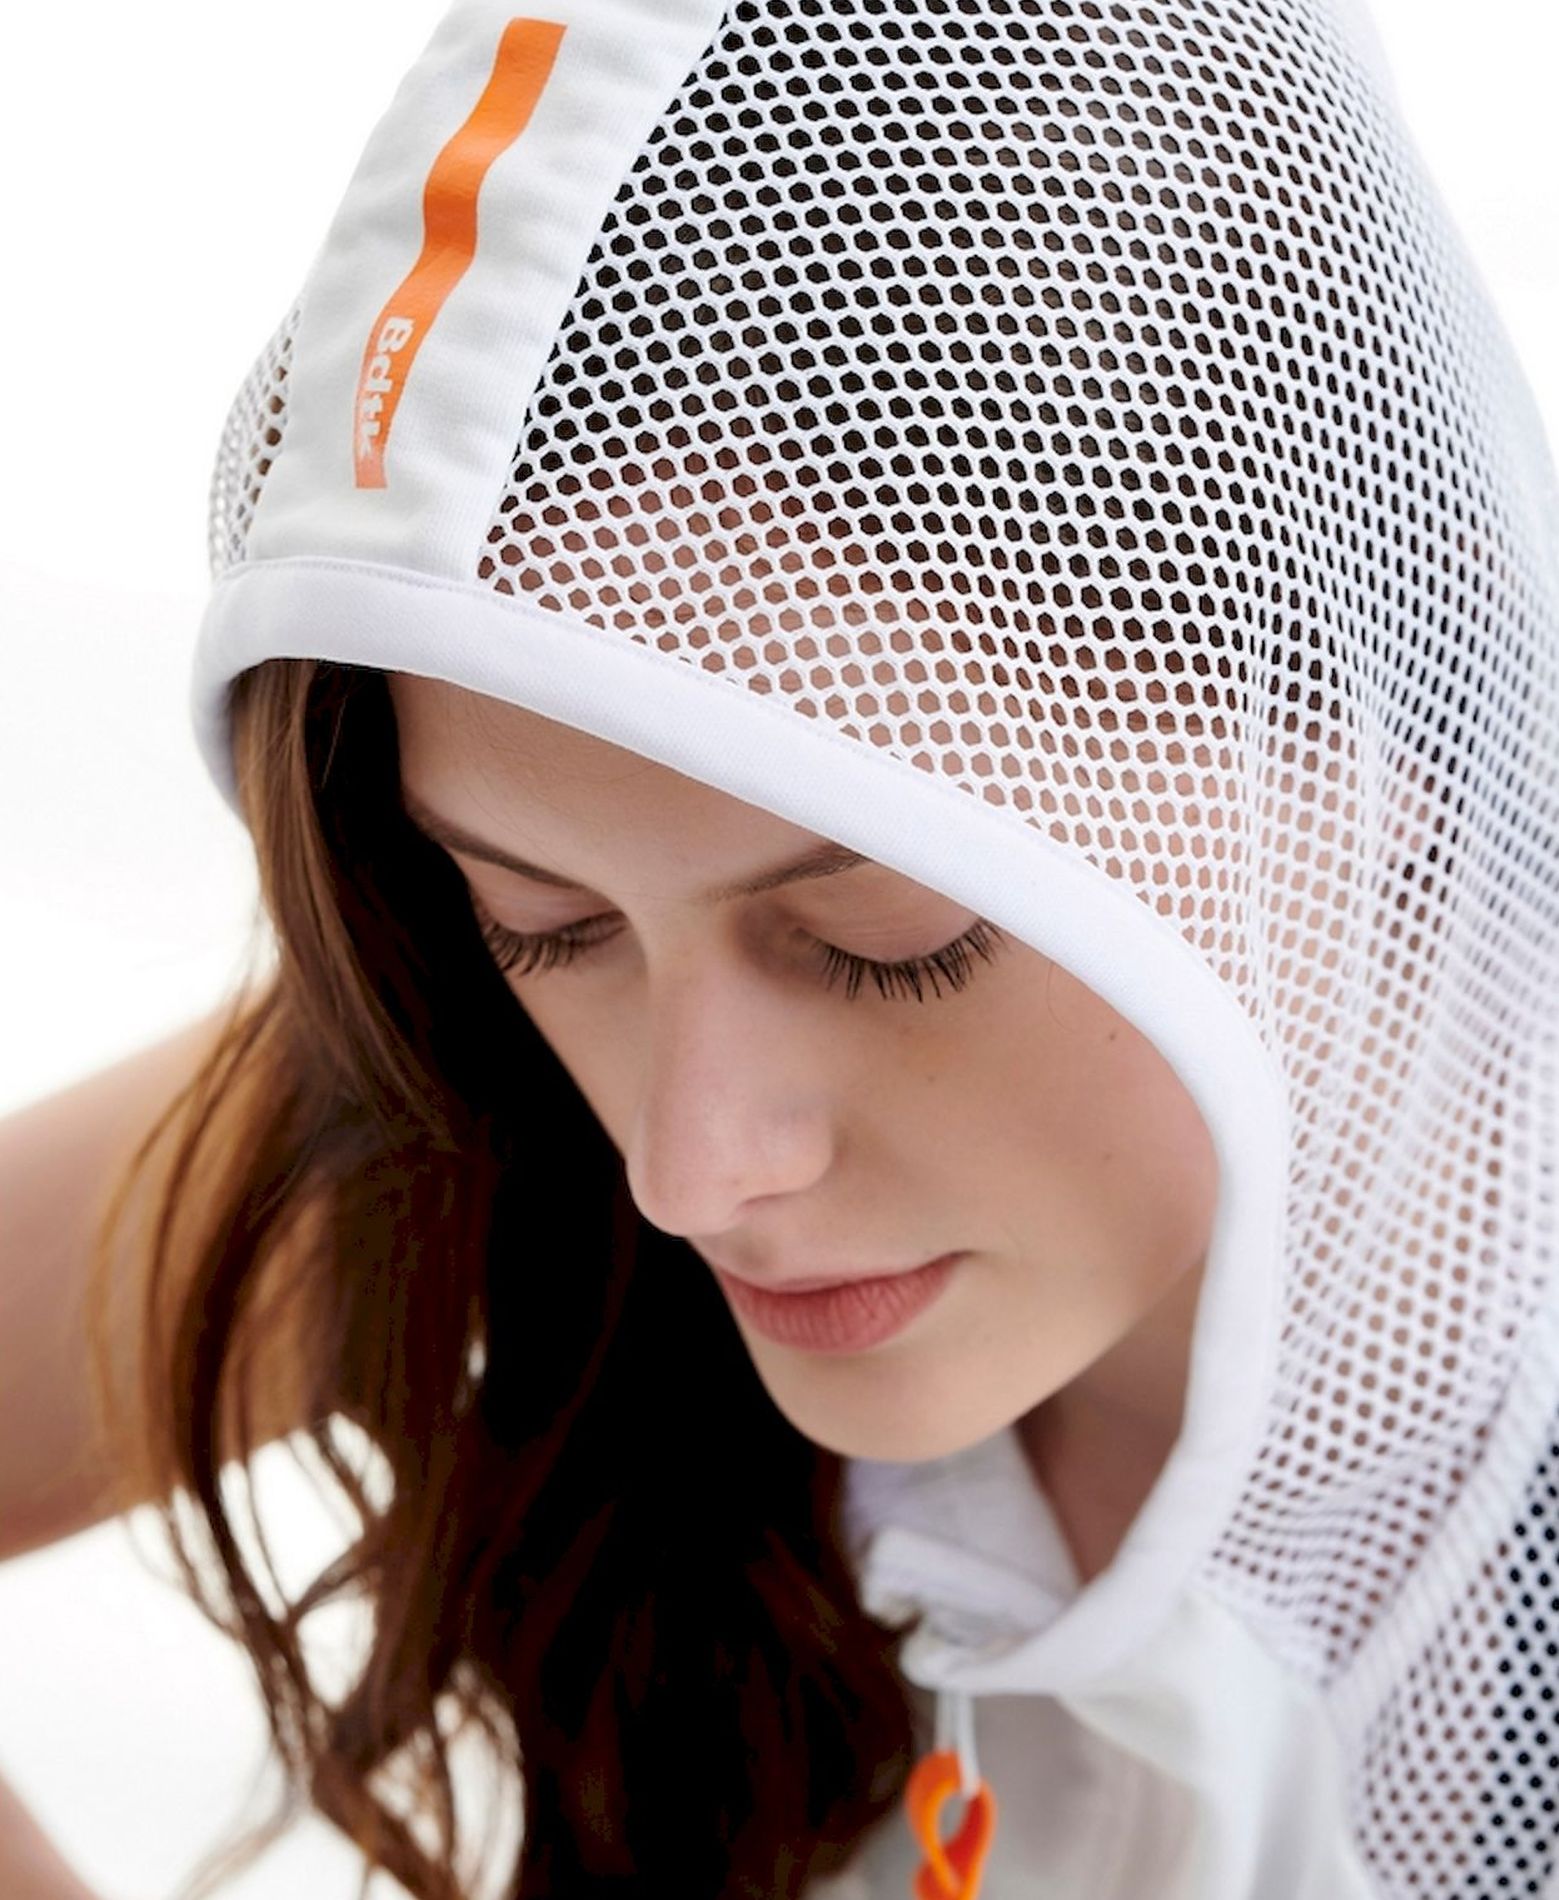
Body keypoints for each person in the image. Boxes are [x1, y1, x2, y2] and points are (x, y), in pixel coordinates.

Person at [5, 0, 1559, 1894]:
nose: (688, 1169)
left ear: (1372, 735)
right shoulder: (473, 1100)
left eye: (884, 941)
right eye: (544, 920)